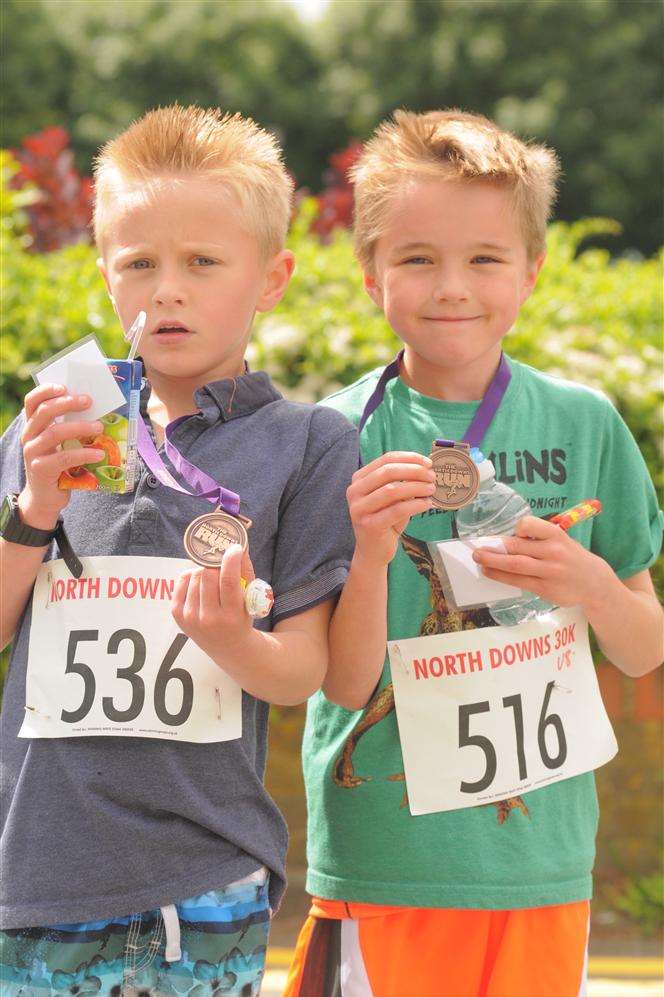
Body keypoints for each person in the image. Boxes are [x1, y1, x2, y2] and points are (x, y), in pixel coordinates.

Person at [285, 109, 663, 997]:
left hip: (539, 862)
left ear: (532, 272)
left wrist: (593, 583)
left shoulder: (585, 423)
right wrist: (373, 558)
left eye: (485, 258)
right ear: (369, 271)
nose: (452, 285)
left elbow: (644, 646)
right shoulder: (331, 436)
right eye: (417, 257)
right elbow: (339, 683)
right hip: (385, 862)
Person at [0, 105, 357, 996]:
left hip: (205, 883)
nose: (168, 290)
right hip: (34, 873)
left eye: (203, 263)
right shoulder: (49, 427)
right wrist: (33, 508)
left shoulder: (308, 443)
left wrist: (236, 641)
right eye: (140, 264)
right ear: (105, 276)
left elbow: (301, 668)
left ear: (271, 277)